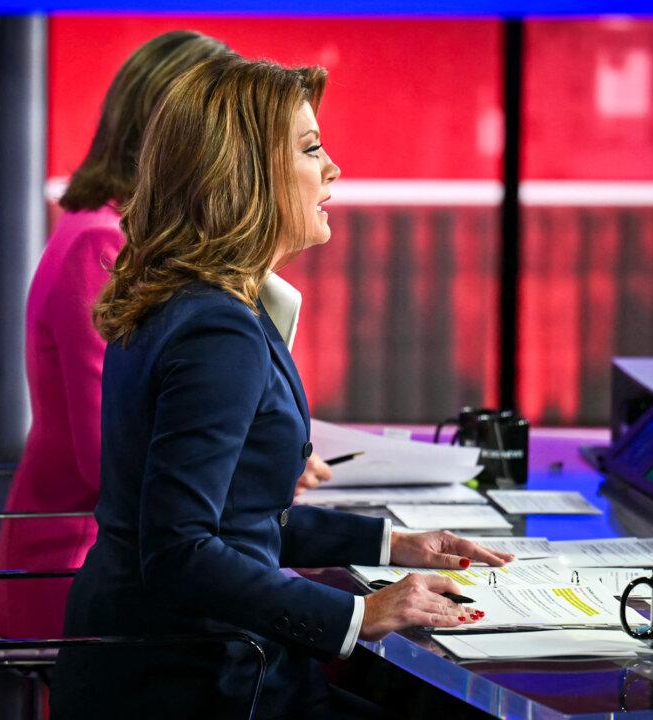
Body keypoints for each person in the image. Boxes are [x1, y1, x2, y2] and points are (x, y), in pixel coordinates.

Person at [49, 55, 513, 719]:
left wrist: (389, 546)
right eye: (311, 147)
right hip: (195, 685)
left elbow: (238, 519)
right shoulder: (218, 330)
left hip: (157, 665)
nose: (334, 168)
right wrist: (362, 612)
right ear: (246, 173)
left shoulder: (185, 301)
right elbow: (180, 551)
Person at [0, 31, 237, 640]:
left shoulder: (108, 231)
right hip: (76, 570)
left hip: (105, 554)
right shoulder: (103, 246)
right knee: (308, 619)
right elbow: (109, 460)